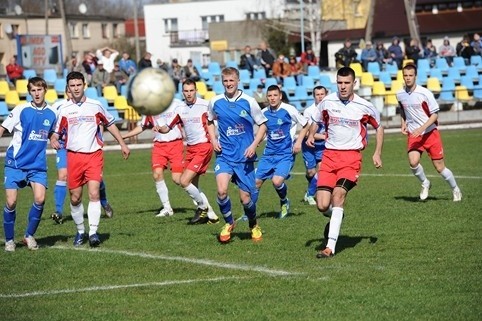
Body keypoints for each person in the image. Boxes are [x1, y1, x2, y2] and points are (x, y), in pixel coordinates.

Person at [306, 66, 384, 258]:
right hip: (330, 156)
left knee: (338, 196)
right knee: (322, 205)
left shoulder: (364, 106)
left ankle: (330, 247)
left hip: (351, 158)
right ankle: (336, 216)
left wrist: (377, 153)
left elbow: (379, 127)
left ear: (354, 83)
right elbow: (315, 120)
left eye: (346, 83)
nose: (342, 86)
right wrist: (310, 135)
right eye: (339, 83)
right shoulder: (327, 102)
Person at [50, 71, 130, 248]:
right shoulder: (64, 110)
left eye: (79, 85)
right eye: (73, 86)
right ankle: (80, 231)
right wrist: (53, 139)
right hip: (74, 156)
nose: (76, 88)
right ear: (68, 88)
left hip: (94, 155)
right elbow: (55, 133)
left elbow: (110, 124)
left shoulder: (96, 105)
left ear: (84, 85)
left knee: (94, 193)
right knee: (75, 198)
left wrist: (122, 144)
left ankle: (93, 233)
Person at [207, 67, 268, 243]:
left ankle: (253, 224)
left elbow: (263, 125)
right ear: (222, 82)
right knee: (221, 191)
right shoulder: (215, 101)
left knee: (246, 199)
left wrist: (253, 145)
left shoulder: (248, 101)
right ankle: (228, 223)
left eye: (231, 81)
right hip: (224, 155)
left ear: (238, 81)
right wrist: (213, 140)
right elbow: (209, 121)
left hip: (244, 157)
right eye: (225, 81)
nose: (228, 84)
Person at [0, 77, 57, 251]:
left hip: (37, 164)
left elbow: (51, 132)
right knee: (11, 202)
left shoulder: (52, 113)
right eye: (33, 90)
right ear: (29, 92)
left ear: (45, 90)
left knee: (40, 199)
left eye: (39, 90)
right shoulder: (21, 109)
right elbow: (3, 128)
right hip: (15, 162)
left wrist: (53, 138)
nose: (36, 93)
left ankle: (29, 236)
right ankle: (10, 240)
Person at [154, 79, 219, 224]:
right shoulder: (180, 108)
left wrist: (215, 140)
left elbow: (215, 122)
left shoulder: (205, 105)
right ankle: (212, 216)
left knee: (183, 181)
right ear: (182, 92)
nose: (189, 94)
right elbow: (167, 128)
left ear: (196, 90)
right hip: (190, 149)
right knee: (192, 185)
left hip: (203, 147)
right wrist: (159, 126)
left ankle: (201, 208)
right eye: (186, 91)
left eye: (191, 90)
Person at [396, 63, 462, 202]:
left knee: (440, 168)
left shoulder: (425, 93)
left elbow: (435, 115)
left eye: (410, 75)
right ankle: (425, 183)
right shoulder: (400, 94)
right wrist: (403, 124)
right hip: (414, 135)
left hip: (430, 134)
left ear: (415, 76)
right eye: (405, 75)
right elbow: (403, 109)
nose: (408, 78)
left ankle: (455, 189)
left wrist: (421, 128)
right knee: (413, 162)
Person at [50, 88, 114, 225]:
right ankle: (58, 211)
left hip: (87, 149)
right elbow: (52, 127)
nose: (72, 91)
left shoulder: (89, 106)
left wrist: (98, 139)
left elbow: (100, 123)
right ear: (66, 91)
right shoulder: (58, 107)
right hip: (64, 146)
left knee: (95, 180)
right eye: (68, 90)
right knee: (62, 175)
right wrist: (52, 138)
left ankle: (104, 201)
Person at [122, 100, 184, 217]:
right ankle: (167, 208)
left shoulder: (176, 104)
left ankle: (199, 200)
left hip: (175, 144)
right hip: (159, 146)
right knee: (157, 174)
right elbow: (143, 126)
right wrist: (124, 136)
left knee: (178, 179)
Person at [255, 85, 308, 219]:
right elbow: (263, 129)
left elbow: (305, 124)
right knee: (255, 183)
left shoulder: (288, 109)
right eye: (270, 96)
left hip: (285, 154)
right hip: (268, 154)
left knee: (277, 181)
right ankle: (250, 214)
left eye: (275, 95)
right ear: (267, 97)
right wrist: (259, 140)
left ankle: (284, 202)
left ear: (280, 96)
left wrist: (298, 142)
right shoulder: (264, 112)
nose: (272, 98)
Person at [294, 85, 328, 206]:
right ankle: (312, 184)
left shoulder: (330, 109)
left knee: (322, 170)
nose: (320, 97)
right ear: (314, 96)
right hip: (309, 145)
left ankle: (309, 194)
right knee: (311, 173)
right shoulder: (309, 111)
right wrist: (324, 136)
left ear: (326, 95)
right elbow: (308, 132)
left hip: (323, 146)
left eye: (322, 94)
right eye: (317, 95)